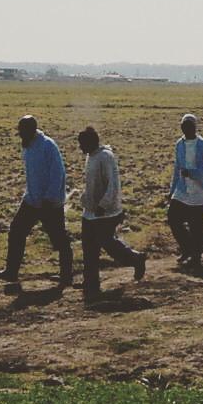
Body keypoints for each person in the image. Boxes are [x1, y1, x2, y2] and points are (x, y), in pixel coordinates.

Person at [0, 115, 72, 288]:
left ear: (31, 130)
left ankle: (66, 276)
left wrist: (49, 198)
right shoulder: (28, 146)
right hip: (32, 200)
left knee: (59, 239)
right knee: (16, 231)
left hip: (49, 203)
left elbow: (58, 174)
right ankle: (11, 271)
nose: (20, 135)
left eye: (22, 131)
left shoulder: (48, 146)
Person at [77, 126, 146, 301]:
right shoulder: (91, 156)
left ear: (91, 142)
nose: (80, 148)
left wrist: (104, 204)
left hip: (106, 212)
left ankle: (135, 259)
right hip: (91, 211)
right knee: (88, 247)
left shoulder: (105, 157)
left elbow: (113, 184)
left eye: (82, 144)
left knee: (108, 245)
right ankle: (91, 282)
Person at [165, 113, 203, 268]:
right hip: (183, 188)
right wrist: (172, 190)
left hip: (199, 190)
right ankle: (187, 248)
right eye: (183, 126)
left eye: (189, 126)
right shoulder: (179, 144)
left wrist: (192, 173)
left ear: (195, 127)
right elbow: (177, 168)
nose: (186, 129)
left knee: (196, 224)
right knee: (173, 218)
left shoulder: (202, 145)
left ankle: (196, 255)